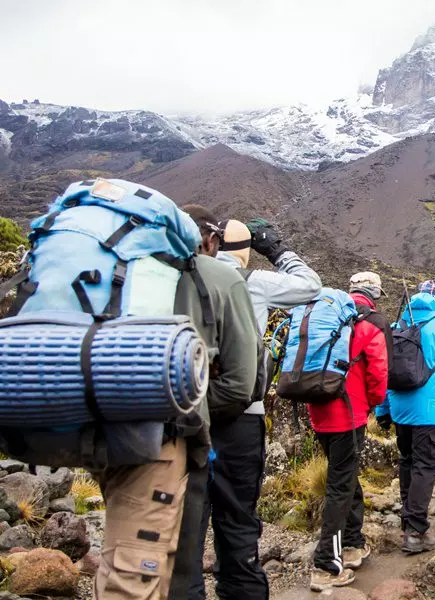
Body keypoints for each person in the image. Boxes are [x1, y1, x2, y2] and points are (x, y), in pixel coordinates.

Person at [184, 219, 320, 599]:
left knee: (184, 525)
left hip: (182, 414)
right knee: (238, 521)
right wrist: (276, 250)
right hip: (240, 416)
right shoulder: (252, 283)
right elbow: (311, 286)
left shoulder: (173, 279)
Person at [151, 205, 256, 600]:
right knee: (205, 545)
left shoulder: (129, 272)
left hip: (123, 432)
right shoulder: (222, 278)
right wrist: (191, 410)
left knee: (145, 552)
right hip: (193, 435)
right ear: (210, 241)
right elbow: (241, 384)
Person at [307, 272, 389, 592]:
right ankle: (326, 563)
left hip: (317, 410)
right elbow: (379, 375)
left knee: (344, 476)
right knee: (340, 487)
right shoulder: (369, 325)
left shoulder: (325, 320)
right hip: (349, 414)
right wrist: (373, 404)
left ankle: (353, 543)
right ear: (373, 295)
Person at [375, 284, 435, 554]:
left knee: (407, 461)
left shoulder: (397, 325)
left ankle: (408, 519)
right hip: (430, 410)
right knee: (426, 465)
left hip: (399, 408)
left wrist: (382, 411)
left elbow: (382, 370)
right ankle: (415, 531)